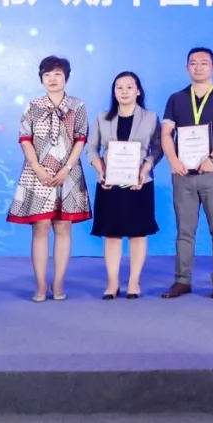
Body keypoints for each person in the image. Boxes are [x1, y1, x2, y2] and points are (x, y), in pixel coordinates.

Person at [7, 55, 91, 302]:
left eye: (57, 74)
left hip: (68, 173)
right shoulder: (33, 106)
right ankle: (41, 286)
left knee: (63, 227)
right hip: (37, 174)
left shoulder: (77, 106)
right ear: (41, 78)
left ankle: (59, 283)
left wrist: (66, 168)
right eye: (47, 75)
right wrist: (37, 168)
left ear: (66, 77)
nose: (52, 79)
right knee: (41, 227)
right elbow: (25, 139)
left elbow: (81, 139)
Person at [160, 47, 213, 299]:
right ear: (187, 68)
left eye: (204, 63)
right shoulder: (176, 98)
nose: (198, 67)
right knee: (184, 230)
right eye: (193, 63)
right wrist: (172, 160)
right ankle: (182, 280)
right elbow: (166, 133)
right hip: (183, 172)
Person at [87, 71, 162, 299]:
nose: (124, 91)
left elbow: (158, 148)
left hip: (140, 183)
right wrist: (100, 170)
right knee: (112, 234)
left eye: (130, 87)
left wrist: (145, 168)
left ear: (138, 91)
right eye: (119, 87)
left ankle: (133, 281)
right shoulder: (102, 118)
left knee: (138, 234)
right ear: (114, 92)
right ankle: (112, 282)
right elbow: (92, 148)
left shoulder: (150, 117)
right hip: (109, 184)